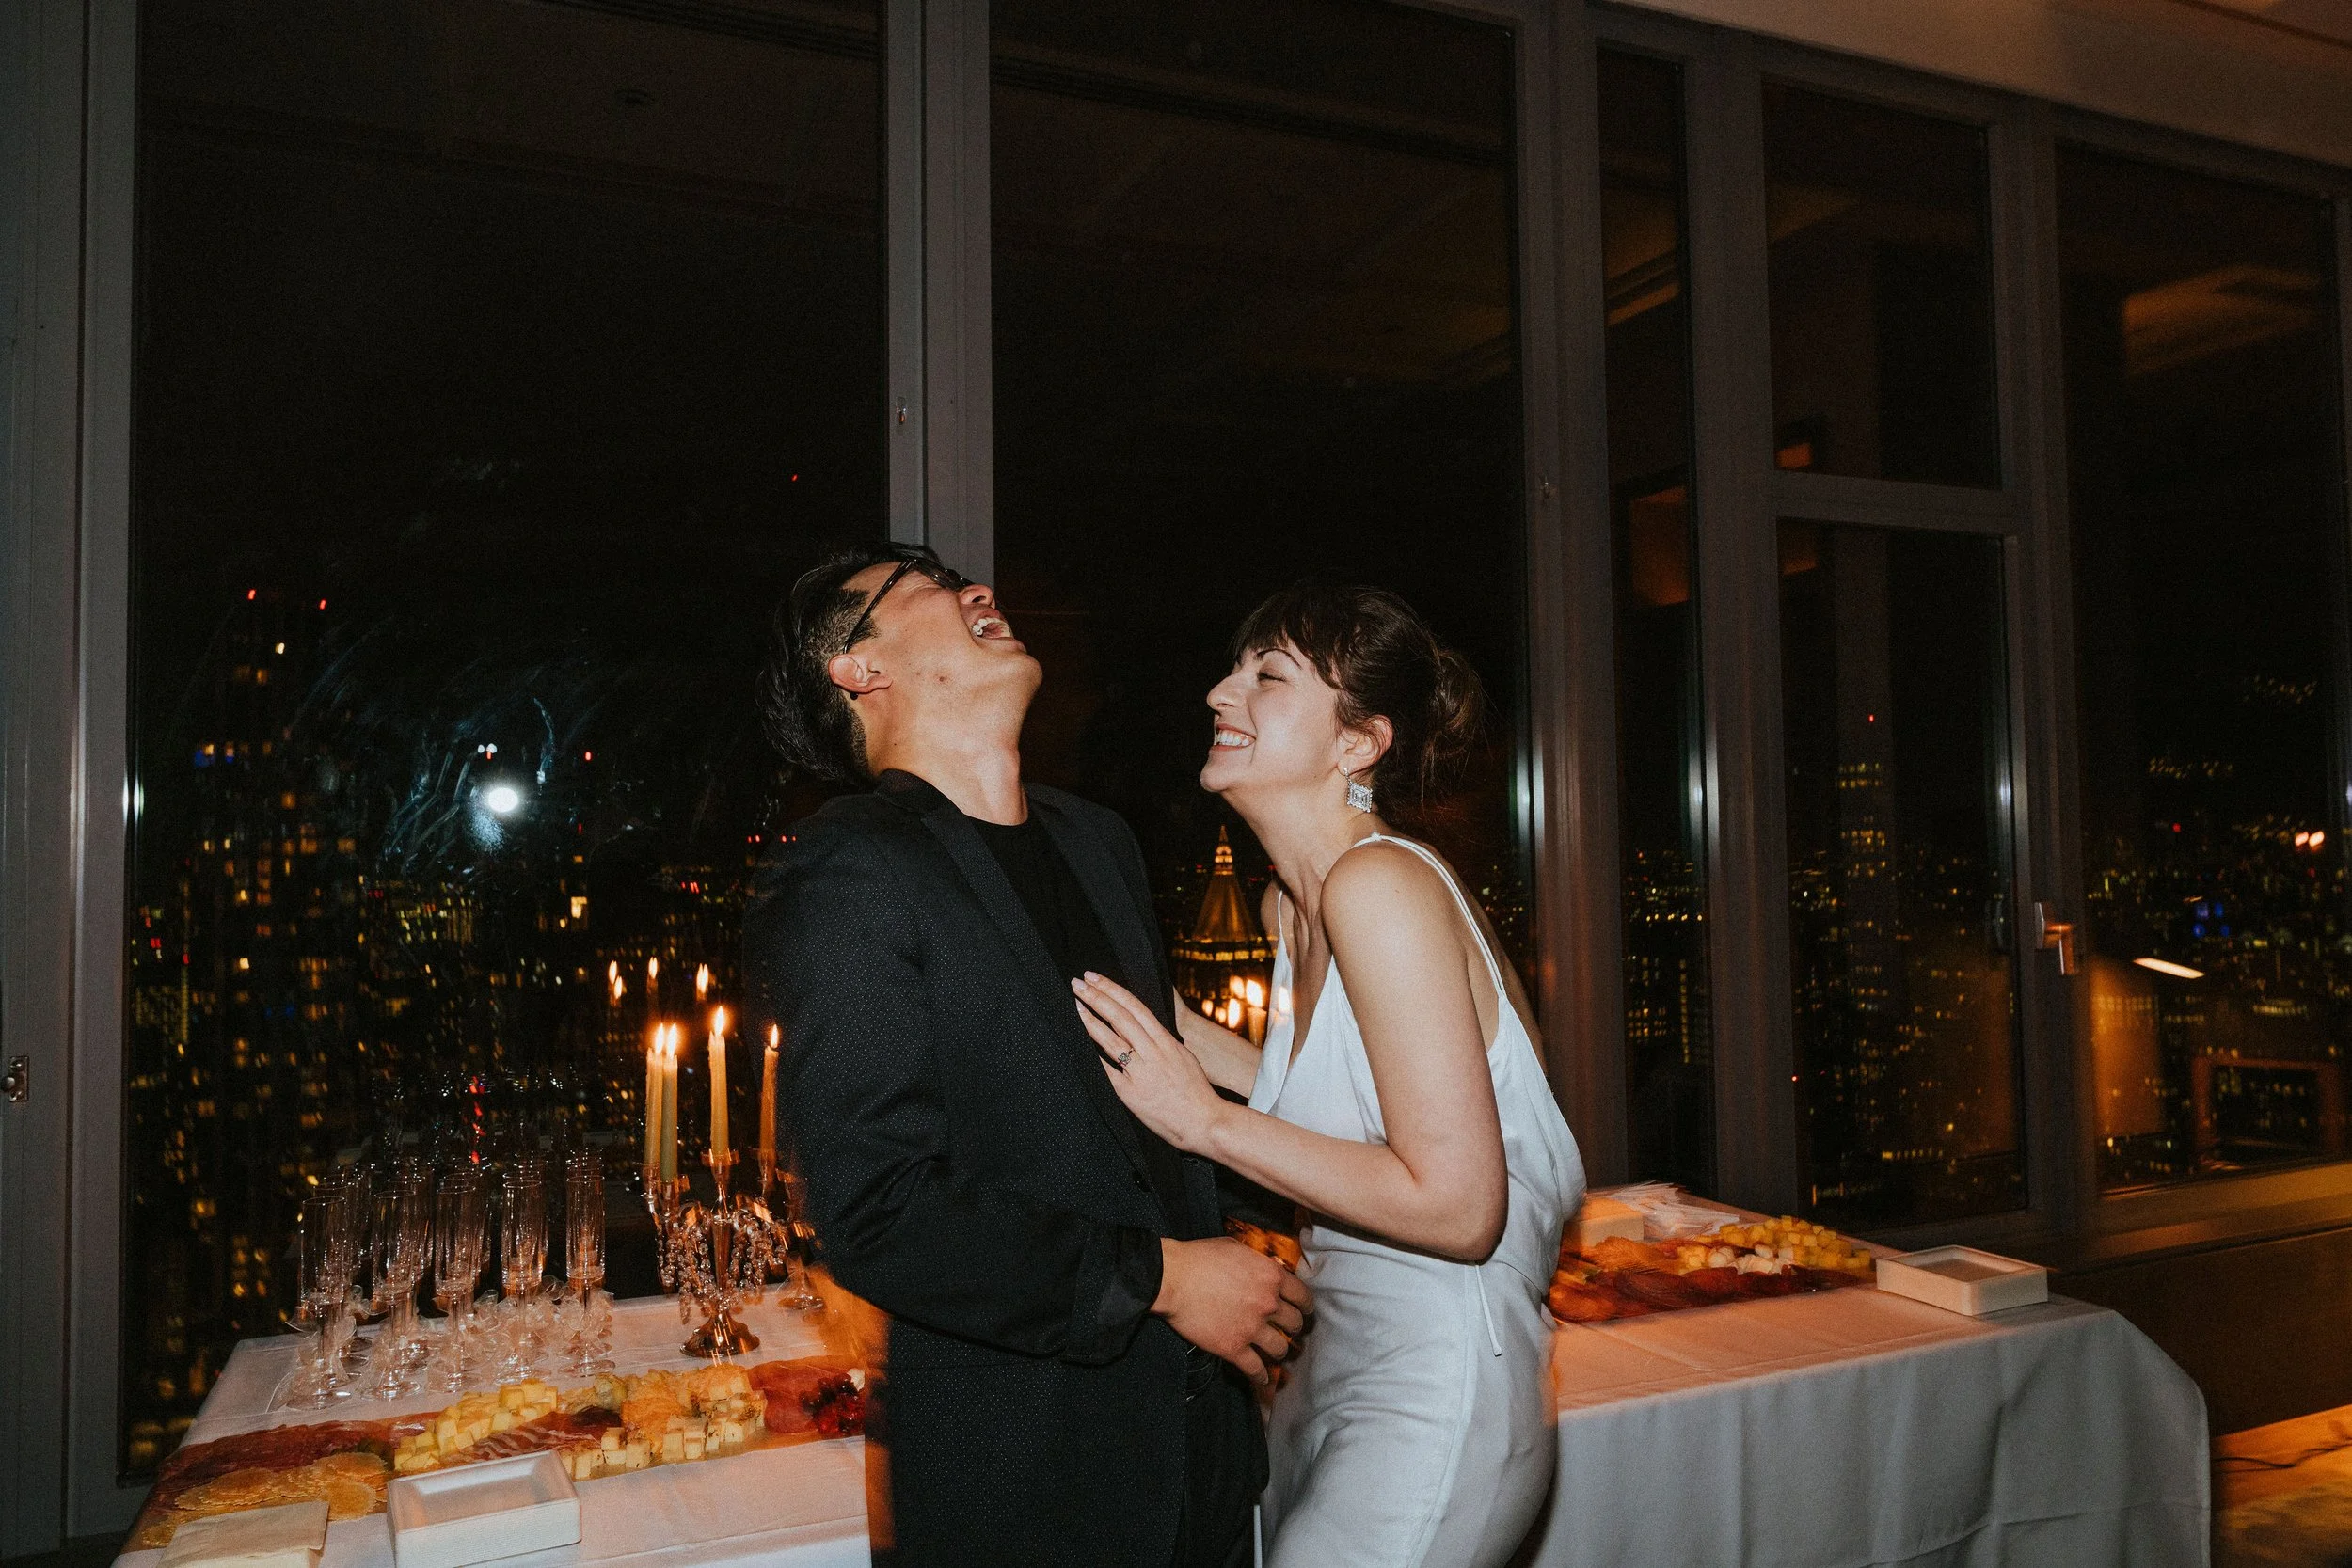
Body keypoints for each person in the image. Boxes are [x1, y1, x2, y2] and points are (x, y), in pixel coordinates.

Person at [744, 543, 1309, 1568]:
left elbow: (1143, 1115)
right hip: (1035, 1487)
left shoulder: (1097, 840)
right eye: (922, 588)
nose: (976, 591)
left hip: (1201, 1464)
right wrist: (1168, 1278)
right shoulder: (848, 867)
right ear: (858, 670)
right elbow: (878, 1209)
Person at [1073, 581, 1586, 1568]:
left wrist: (1206, 1122)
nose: (1222, 693)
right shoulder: (1291, 905)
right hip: (1328, 1356)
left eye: (1266, 676)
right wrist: (1169, 1029)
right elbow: (1351, 1094)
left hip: (1437, 1378)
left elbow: (1459, 1205)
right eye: (1235, 668)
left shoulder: (1379, 882)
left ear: (1359, 744)